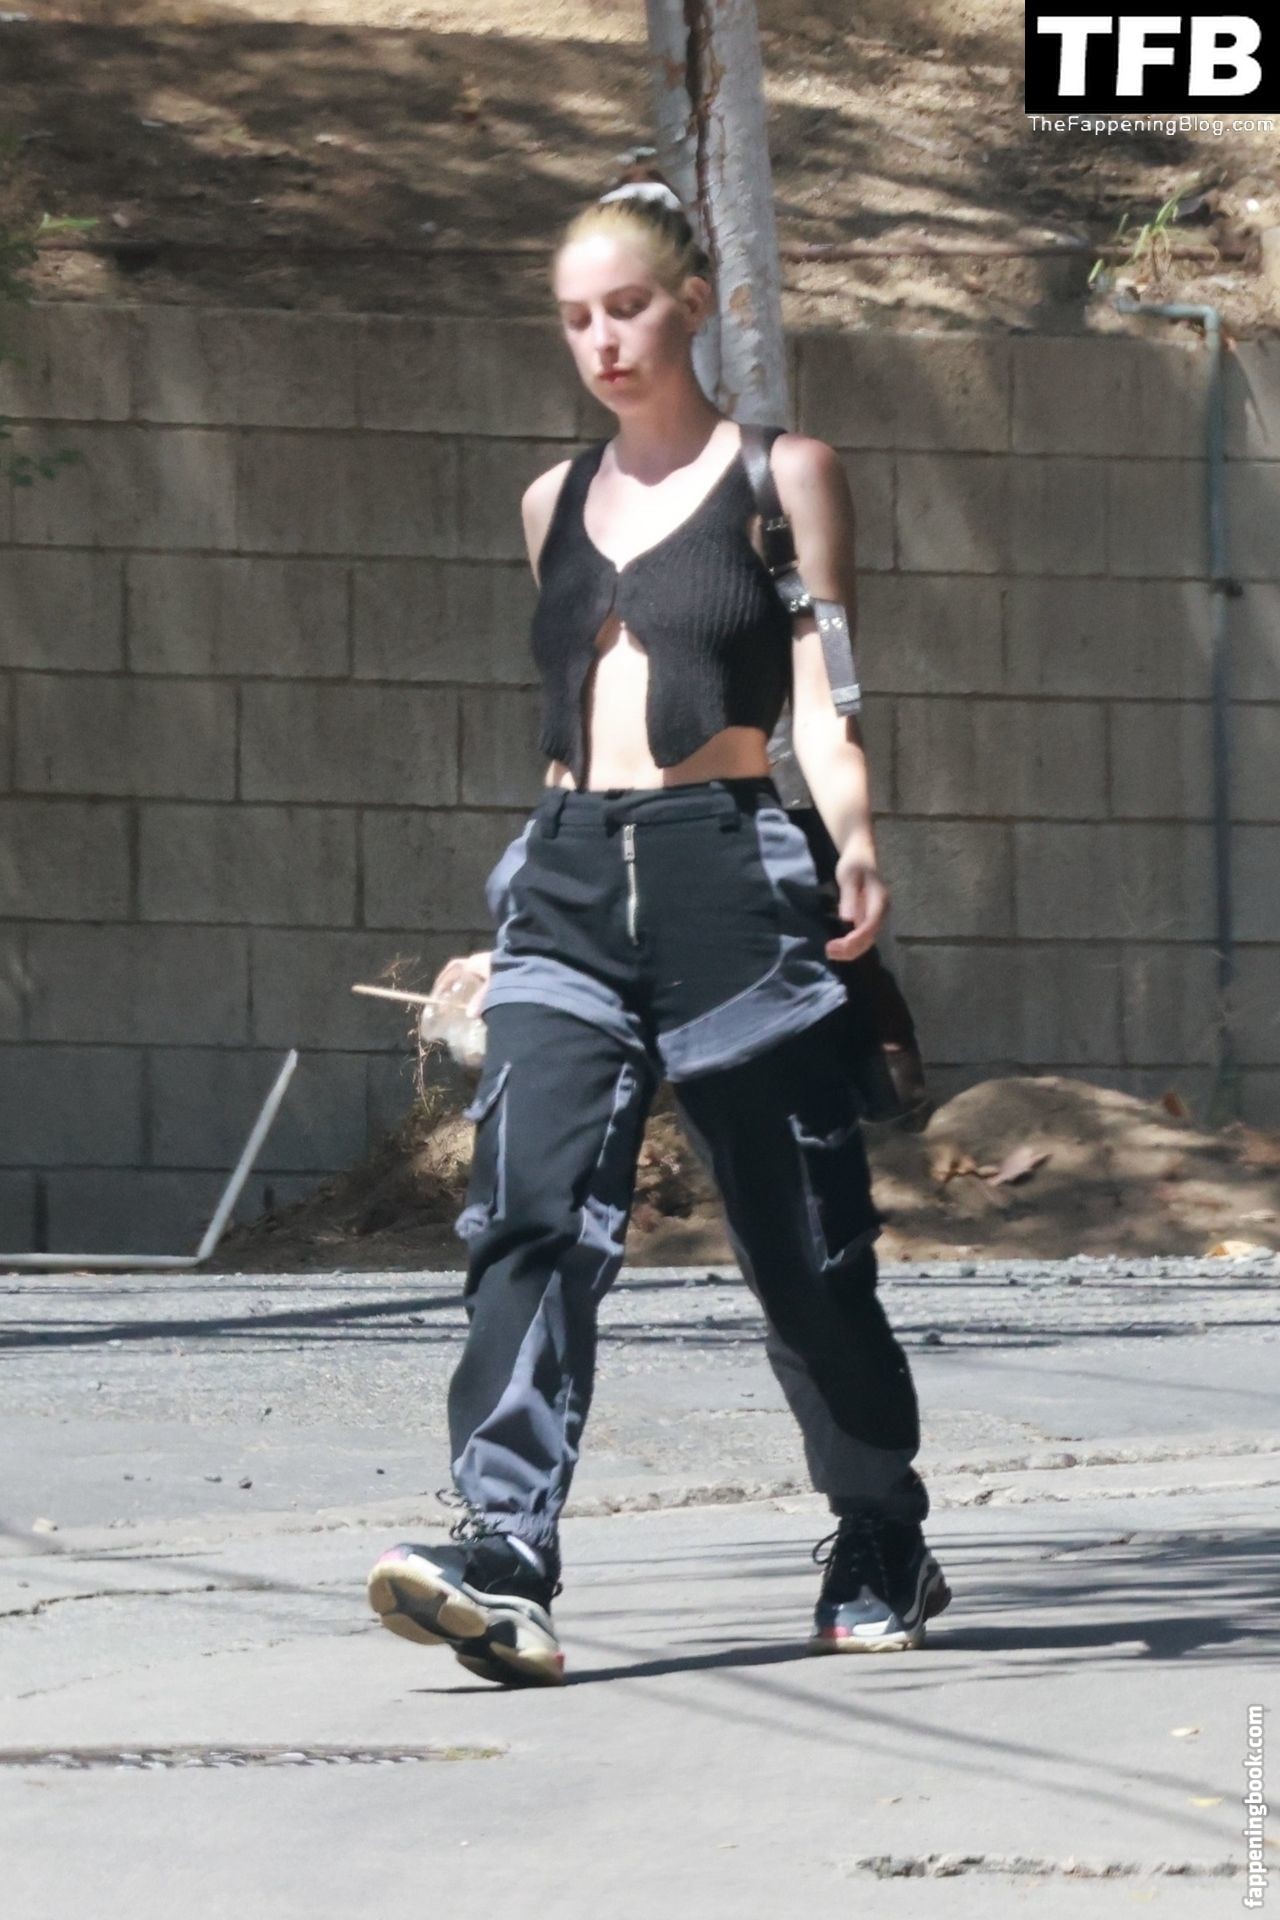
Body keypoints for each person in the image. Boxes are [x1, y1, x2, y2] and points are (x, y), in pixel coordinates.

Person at [366, 170, 951, 1687]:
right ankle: (505, 1552)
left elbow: (825, 693)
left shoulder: (783, 475)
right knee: (527, 1218)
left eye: (627, 308)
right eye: (577, 319)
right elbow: (579, 721)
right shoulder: (549, 503)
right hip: (568, 878)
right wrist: (509, 910)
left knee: (803, 1251)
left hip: (734, 880)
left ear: (693, 303)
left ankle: (880, 1529)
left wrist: (858, 838)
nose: (604, 342)